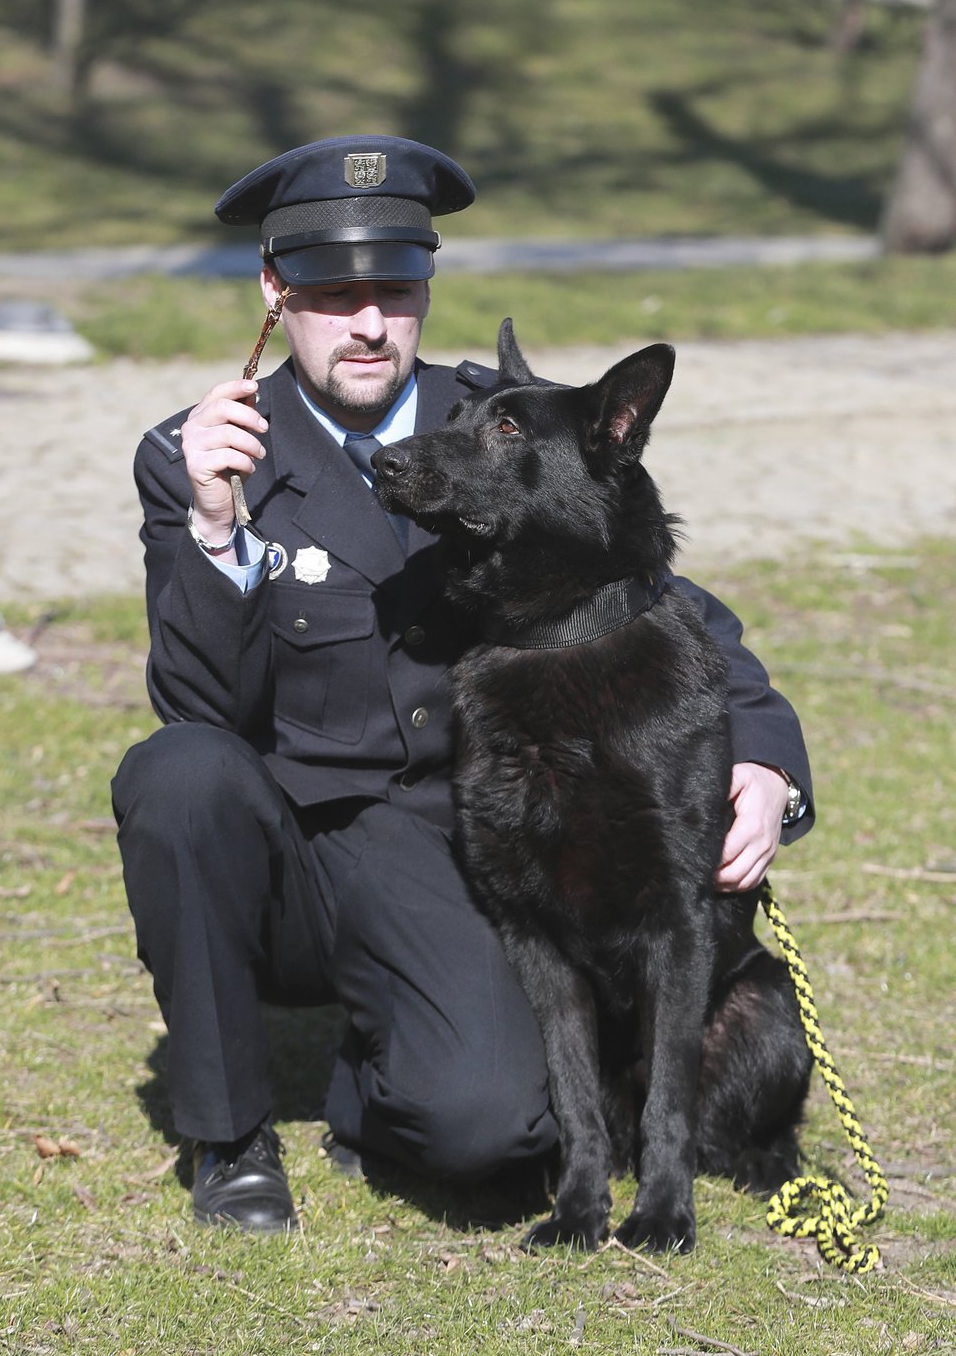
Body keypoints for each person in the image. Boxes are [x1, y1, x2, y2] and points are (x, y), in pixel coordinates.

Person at [112, 134, 813, 1235]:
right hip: (296, 840)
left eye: (394, 287)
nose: (368, 322)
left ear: (425, 288)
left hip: (452, 848)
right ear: (273, 289)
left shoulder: (501, 426)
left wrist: (768, 759)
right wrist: (211, 522)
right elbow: (197, 700)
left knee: (489, 1130)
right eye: (333, 291)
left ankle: (373, 1070)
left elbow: (670, 604)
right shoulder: (203, 451)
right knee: (179, 773)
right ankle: (230, 1135)